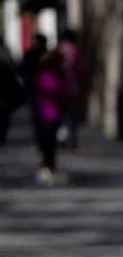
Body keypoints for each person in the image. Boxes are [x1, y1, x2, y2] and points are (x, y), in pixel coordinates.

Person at [32, 49, 66, 184]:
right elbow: (57, 92)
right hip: (48, 115)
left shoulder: (48, 75)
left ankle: (48, 168)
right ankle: (47, 168)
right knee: (48, 145)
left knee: (49, 145)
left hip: (50, 115)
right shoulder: (49, 76)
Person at [57, 29, 84, 148]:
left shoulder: (58, 50)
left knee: (61, 116)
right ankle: (73, 139)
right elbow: (80, 70)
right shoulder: (75, 51)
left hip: (59, 89)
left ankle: (62, 137)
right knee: (72, 117)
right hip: (73, 89)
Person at [0, 43, 25, 145]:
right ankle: (2, 135)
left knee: (4, 115)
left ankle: (2, 135)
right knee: (4, 116)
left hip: (5, 89)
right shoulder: (5, 52)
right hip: (6, 91)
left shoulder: (5, 53)